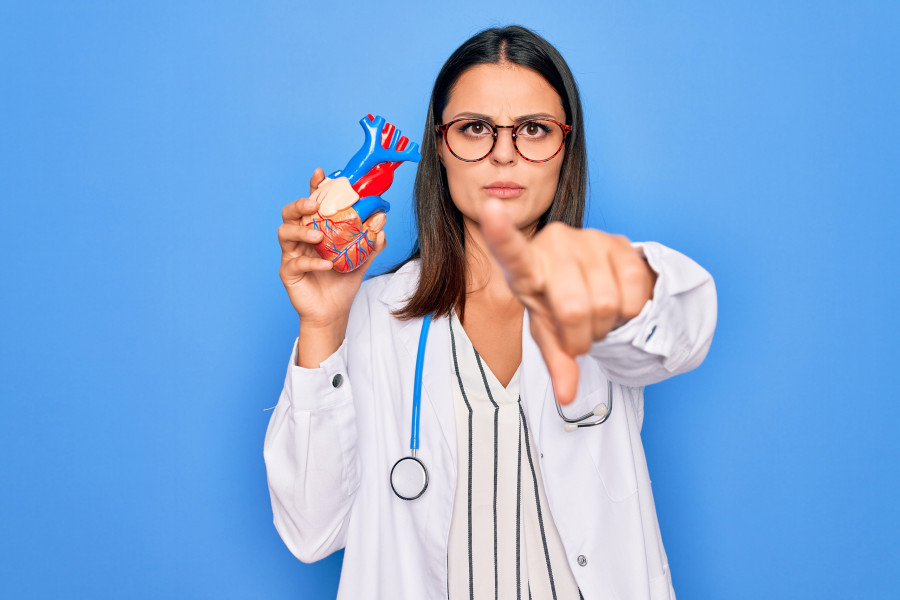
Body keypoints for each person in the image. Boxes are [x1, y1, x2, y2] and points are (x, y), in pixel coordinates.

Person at [265, 25, 717, 600]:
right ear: (439, 147)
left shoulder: (602, 295)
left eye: (533, 129)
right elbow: (311, 530)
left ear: (566, 149)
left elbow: (683, 325)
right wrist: (323, 323)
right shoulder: (374, 316)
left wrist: (614, 283)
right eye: (476, 128)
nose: (504, 152)